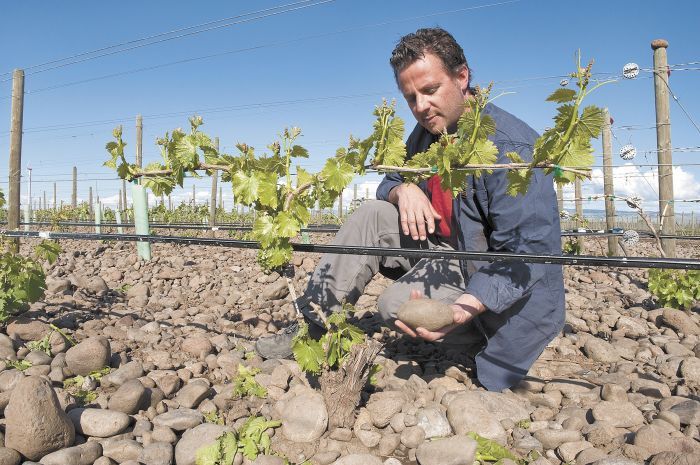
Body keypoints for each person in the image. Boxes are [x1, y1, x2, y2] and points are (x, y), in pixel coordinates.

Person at [255, 27, 565, 392]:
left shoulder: (511, 148)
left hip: (503, 277)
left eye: (430, 91)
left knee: (395, 307)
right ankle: (313, 324)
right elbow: (388, 179)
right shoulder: (425, 135)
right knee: (371, 214)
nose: (420, 106)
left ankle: (475, 335)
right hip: (447, 254)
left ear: (462, 76)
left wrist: (465, 306)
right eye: (410, 97)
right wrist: (402, 190)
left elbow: (528, 253)